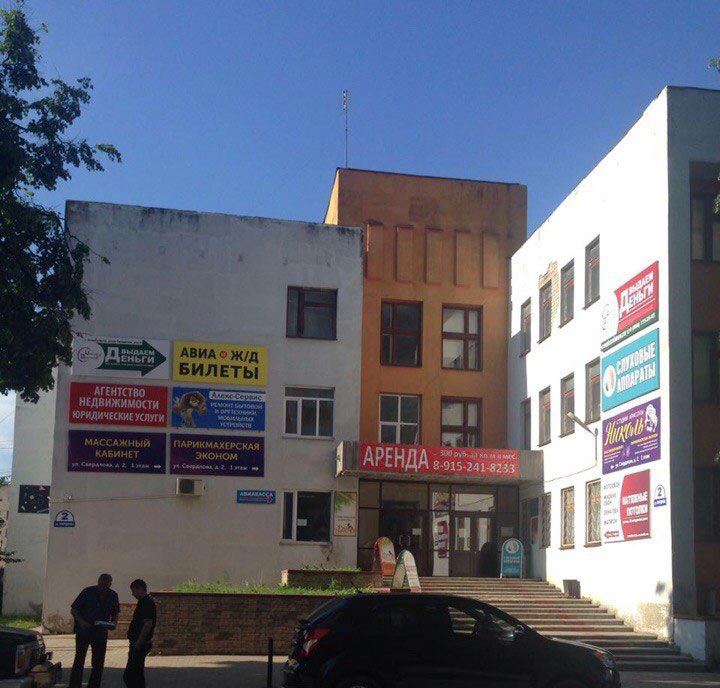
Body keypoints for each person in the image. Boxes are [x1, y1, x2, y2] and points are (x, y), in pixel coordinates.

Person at [69, 573, 120, 688]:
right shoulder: (87, 592)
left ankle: (94, 685)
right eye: (100, 584)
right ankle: (74, 685)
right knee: (79, 660)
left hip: (100, 632)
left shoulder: (113, 595)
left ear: (110, 584)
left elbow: (115, 613)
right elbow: (74, 610)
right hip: (84, 631)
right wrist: (81, 622)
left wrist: (113, 623)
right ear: (98, 582)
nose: (102, 588)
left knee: (98, 662)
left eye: (105, 586)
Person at [123, 579, 157, 688]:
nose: (132, 594)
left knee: (130, 675)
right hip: (138, 643)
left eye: (134, 591)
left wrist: (138, 642)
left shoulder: (147, 603)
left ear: (141, 589)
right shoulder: (143, 602)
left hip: (140, 644)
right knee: (137, 673)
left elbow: (147, 624)